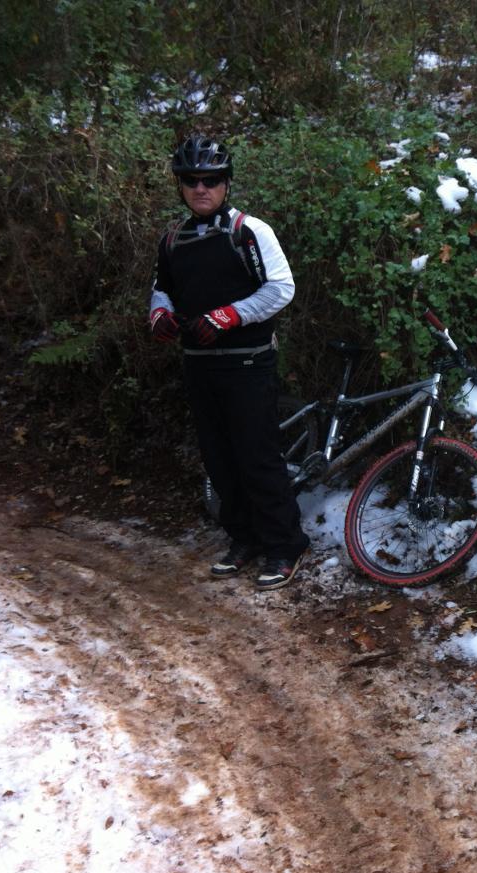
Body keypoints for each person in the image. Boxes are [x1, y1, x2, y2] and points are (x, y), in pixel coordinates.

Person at [148, 134, 309, 590]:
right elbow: (162, 285)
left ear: (226, 182)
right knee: (219, 459)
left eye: (211, 180)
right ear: (179, 185)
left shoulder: (249, 231)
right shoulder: (173, 238)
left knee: (258, 457)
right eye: (191, 180)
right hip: (198, 363)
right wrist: (158, 312)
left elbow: (281, 288)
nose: (202, 188)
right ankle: (245, 538)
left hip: (247, 363)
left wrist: (229, 315)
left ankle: (285, 545)